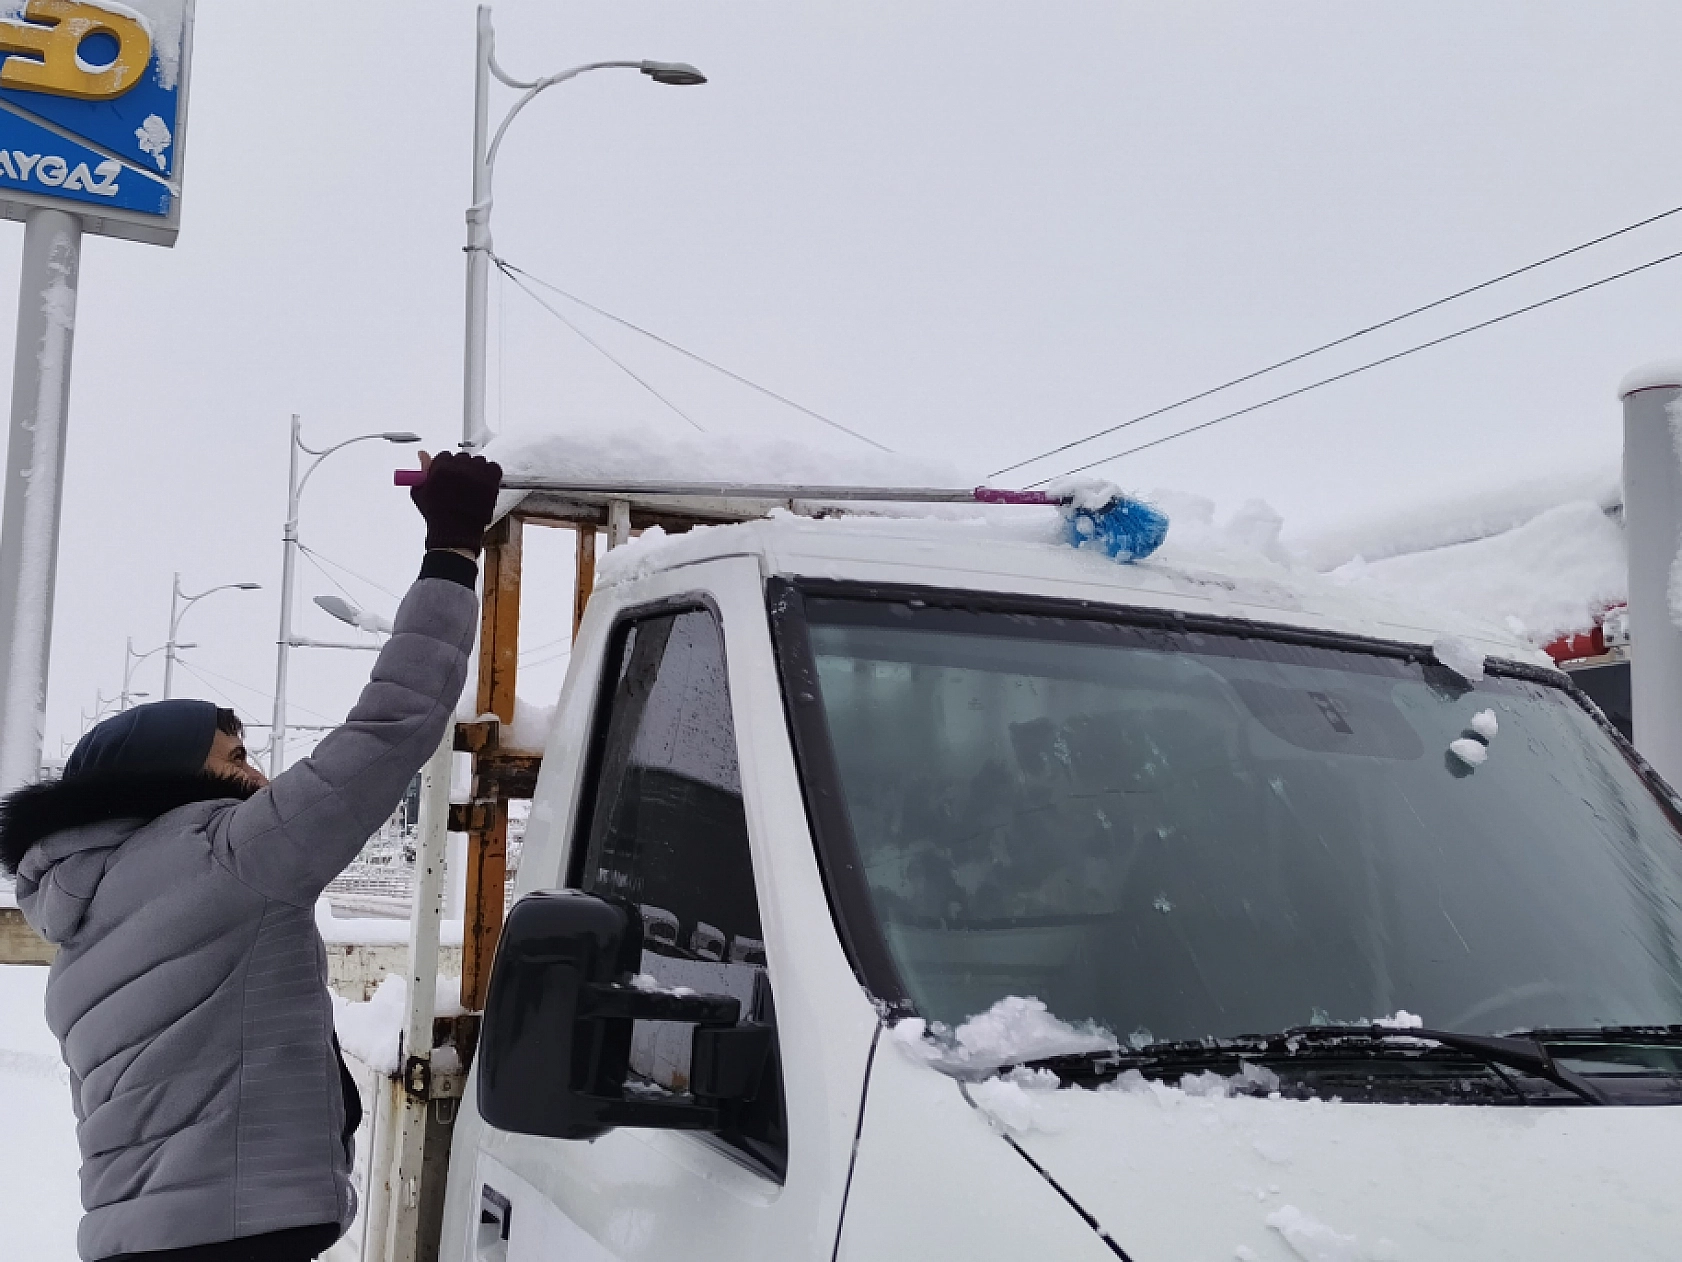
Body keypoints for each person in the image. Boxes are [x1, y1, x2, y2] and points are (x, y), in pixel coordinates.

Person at [0, 450, 502, 1262]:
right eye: (235, 758)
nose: (259, 776)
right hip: (232, 1239)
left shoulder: (79, 922)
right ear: (165, 778)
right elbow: (392, 726)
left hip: (139, 1240)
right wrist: (453, 546)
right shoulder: (225, 857)